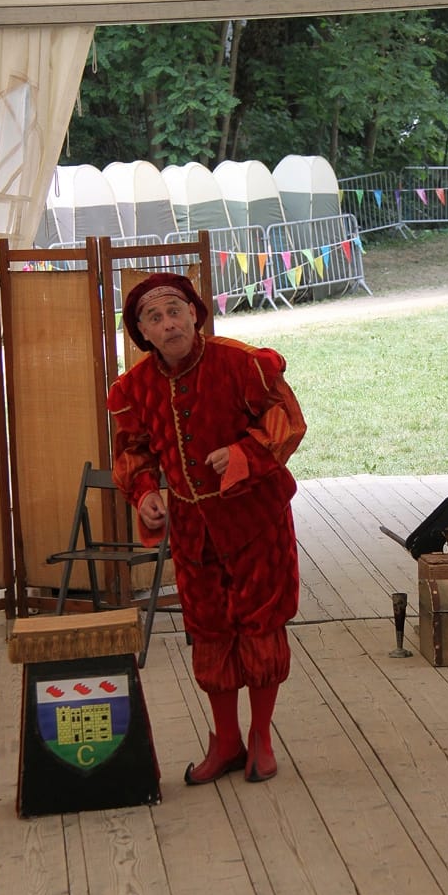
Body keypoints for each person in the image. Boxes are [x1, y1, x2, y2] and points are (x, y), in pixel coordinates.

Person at [107, 272, 306, 784]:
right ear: (142, 332)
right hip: (194, 531)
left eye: (175, 311)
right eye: (154, 317)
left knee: (260, 625)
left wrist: (244, 454)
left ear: (195, 314)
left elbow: (287, 418)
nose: (168, 323)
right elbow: (132, 451)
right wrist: (145, 493)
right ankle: (227, 741)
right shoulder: (135, 388)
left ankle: (261, 738)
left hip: (256, 520)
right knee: (209, 630)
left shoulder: (240, 363)